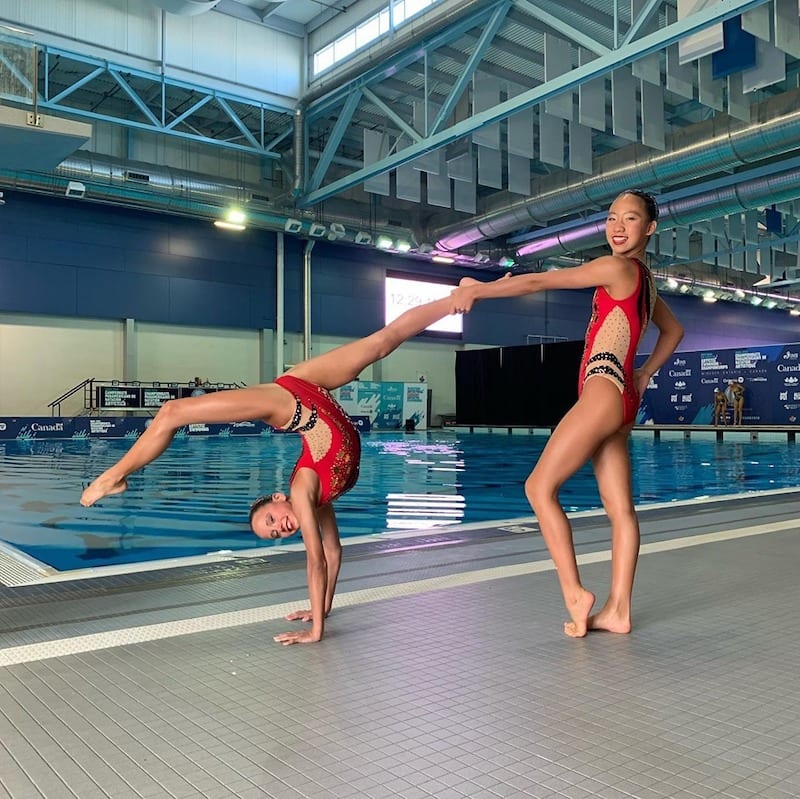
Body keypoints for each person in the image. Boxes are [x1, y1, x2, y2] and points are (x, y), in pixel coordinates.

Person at [80, 294, 465, 645]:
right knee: (383, 341)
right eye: (275, 534)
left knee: (172, 412)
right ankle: (458, 297)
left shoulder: (302, 489)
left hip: (287, 403)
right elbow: (332, 551)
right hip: (308, 387)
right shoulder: (315, 500)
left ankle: (113, 476)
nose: (281, 529)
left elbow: (314, 560)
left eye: (271, 521)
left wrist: (315, 632)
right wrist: (323, 609)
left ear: (278, 498)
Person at [449, 189, 684, 638]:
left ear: (649, 228)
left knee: (539, 487)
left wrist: (480, 290)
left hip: (601, 389)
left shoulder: (616, 268)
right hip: (623, 398)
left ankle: (576, 593)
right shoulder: (646, 281)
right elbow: (674, 330)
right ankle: (619, 610)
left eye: (630, 219)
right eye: (612, 217)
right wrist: (644, 373)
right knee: (621, 510)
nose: (617, 226)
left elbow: (540, 282)